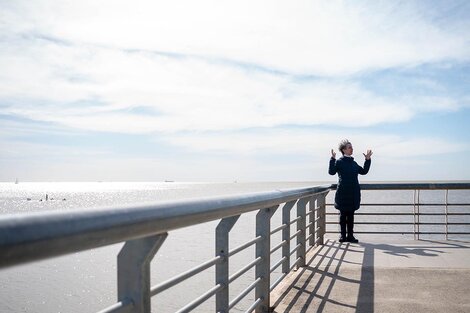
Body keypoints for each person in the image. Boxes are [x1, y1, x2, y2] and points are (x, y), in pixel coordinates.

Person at [329, 139, 372, 243]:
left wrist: (367, 159)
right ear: (344, 150)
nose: (352, 149)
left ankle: (351, 236)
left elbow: (364, 171)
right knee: (343, 216)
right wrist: (332, 159)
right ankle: (343, 236)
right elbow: (331, 172)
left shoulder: (354, 163)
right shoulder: (339, 162)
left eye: (351, 147)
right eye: (349, 147)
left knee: (351, 215)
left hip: (353, 192)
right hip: (343, 193)